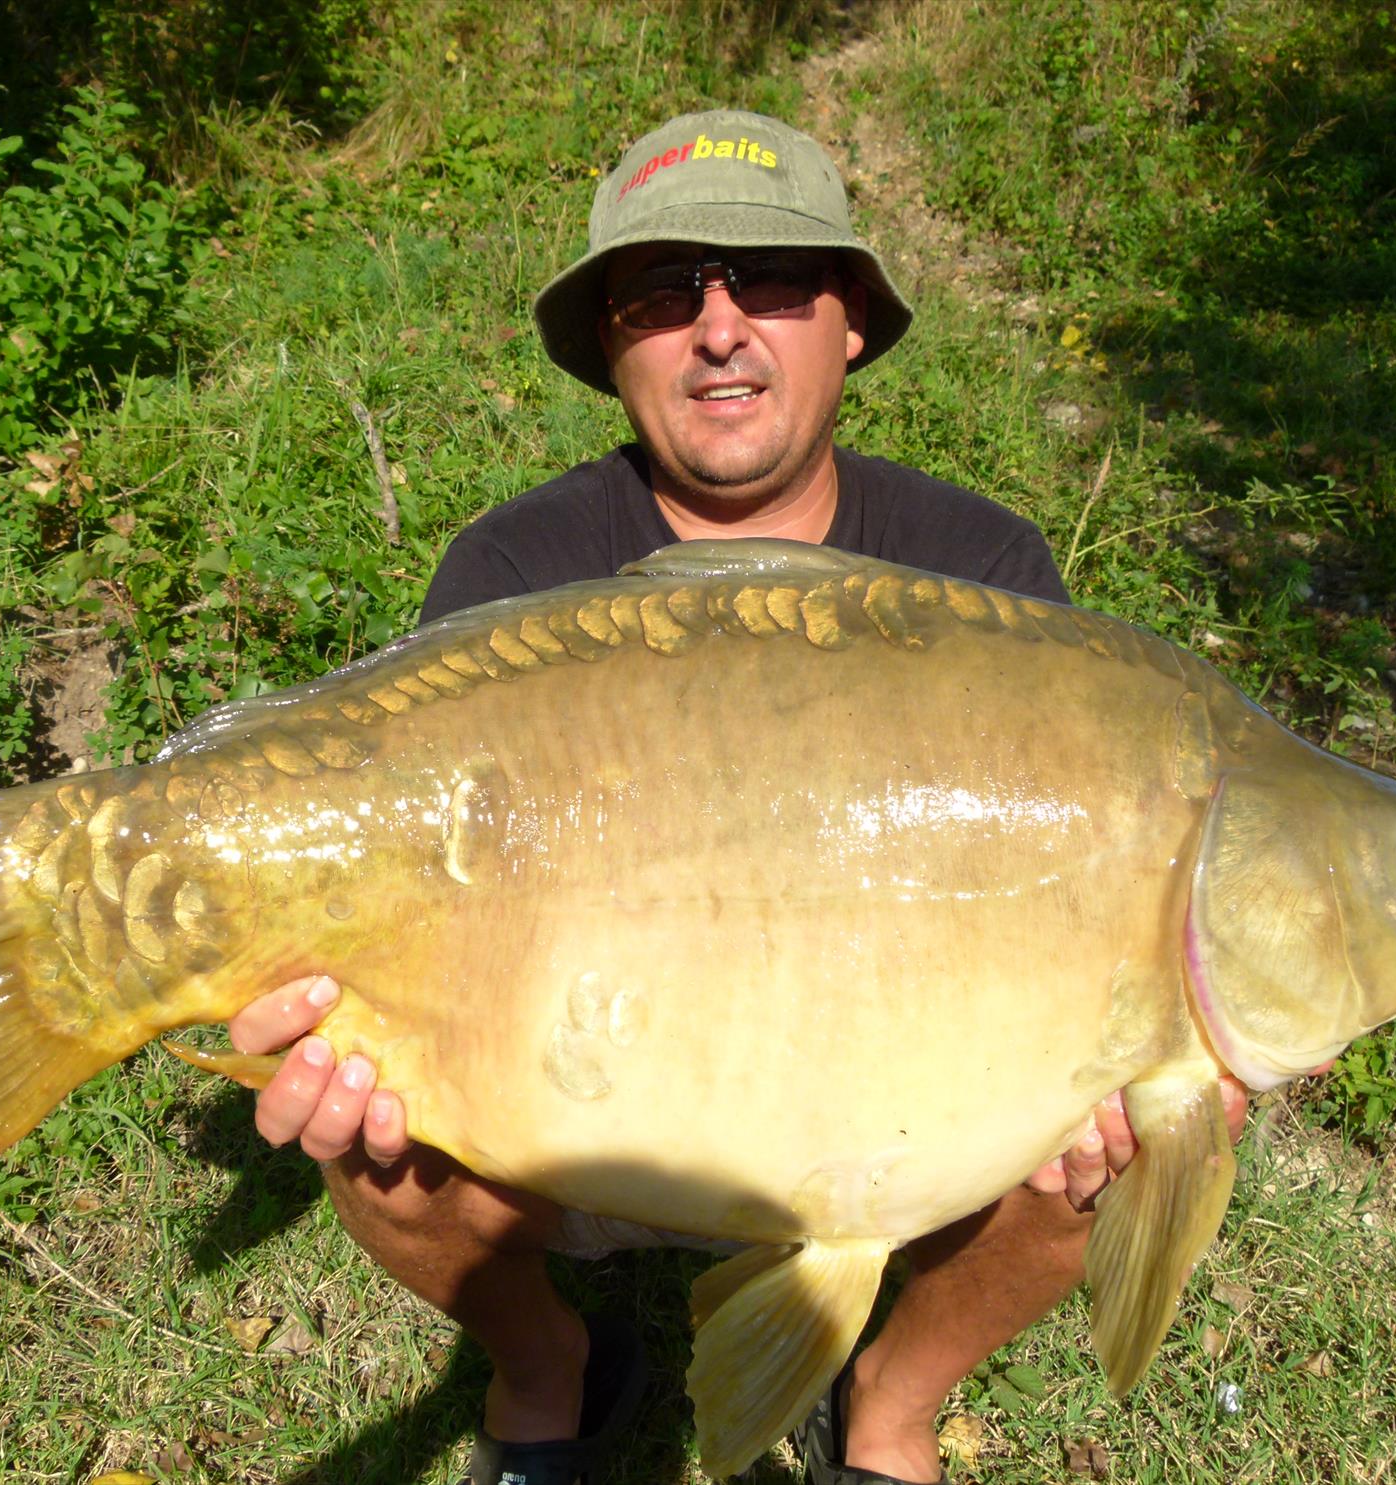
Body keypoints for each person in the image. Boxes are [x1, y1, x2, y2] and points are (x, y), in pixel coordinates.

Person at [226, 110, 1247, 1485]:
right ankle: (546, 1367)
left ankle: (888, 1402)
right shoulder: (517, 571)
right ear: (610, 348)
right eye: (663, 294)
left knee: (1143, 1117)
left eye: (769, 281)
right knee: (368, 1134)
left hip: (910, 1128)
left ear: (852, 323)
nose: (719, 329)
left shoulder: (983, 573)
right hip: (581, 1117)